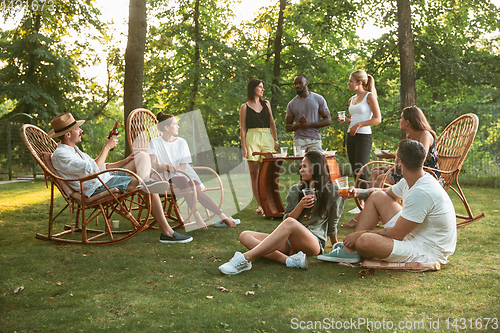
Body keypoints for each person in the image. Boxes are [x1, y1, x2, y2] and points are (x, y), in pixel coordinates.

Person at [48, 112, 192, 244]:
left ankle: (145, 182)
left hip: (106, 177)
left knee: (142, 155)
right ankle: (167, 232)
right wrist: (106, 147)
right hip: (98, 186)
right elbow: (93, 168)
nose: (81, 131)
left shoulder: (73, 150)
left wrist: (124, 161)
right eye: (77, 129)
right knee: (149, 188)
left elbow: (100, 167)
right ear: (68, 134)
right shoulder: (62, 155)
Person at [318, 139, 456, 265]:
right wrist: (357, 192)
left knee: (364, 241)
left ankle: (355, 246)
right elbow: (385, 193)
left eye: (395, 157)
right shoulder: (413, 180)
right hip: (415, 234)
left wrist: (359, 234)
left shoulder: (421, 192)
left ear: (400, 162)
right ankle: (351, 251)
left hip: (427, 249)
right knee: (377, 196)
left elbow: (397, 234)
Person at [218, 151, 344, 275]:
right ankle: (289, 261)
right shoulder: (295, 190)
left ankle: (246, 259)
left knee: (291, 223)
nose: (301, 169)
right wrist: (300, 206)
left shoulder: (333, 192)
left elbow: (332, 225)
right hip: (290, 242)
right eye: (301, 166)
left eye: (305, 166)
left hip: (313, 243)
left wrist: (337, 251)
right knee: (245, 236)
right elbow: (285, 221)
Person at [342, 105, 440, 228]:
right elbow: (409, 155)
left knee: (380, 179)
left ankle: (369, 213)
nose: (399, 120)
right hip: (409, 168)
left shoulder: (425, 134)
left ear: (407, 122)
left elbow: (420, 158)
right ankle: (370, 210)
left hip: (423, 173)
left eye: (401, 118)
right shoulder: (409, 136)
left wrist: (397, 163)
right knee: (375, 172)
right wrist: (392, 155)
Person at [149, 112, 240, 229]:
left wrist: (175, 169)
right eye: (175, 124)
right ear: (166, 127)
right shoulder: (155, 142)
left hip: (183, 173)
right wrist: (163, 167)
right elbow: (152, 164)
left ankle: (222, 216)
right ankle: (198, 216)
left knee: (196, 188)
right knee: (183, 180)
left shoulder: (181, 142)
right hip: (165, 176)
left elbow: (183, 165)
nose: (178, 126)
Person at [341, 70, 381, 215]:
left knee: (361, 169)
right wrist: (347, 121)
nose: (348, 83)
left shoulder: (369, 96)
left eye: (350, 81)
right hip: (351, 136)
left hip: (364, 137)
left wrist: (359, 125)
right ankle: (361, 204)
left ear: (359, 82)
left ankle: (370, 202)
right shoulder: (352, 99)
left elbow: (377, 119)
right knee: (355, 169)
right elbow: (353, 120)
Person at [240, 78, 279, 215]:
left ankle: (271, 200)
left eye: (262, 87)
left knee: (269, 171)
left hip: (267, 137)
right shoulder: (244, 107)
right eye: (260, 87)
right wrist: (243, 147)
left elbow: (272, 122)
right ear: (253, 89)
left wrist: (275, 139)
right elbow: (243, 128)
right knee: (254, 173)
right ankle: (259, 204)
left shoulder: (266, 103)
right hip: (252, 138)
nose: (262, 89)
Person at [285, 74, 331, 153]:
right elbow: (287, 127)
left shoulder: (318, 99)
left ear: (307, 83)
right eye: (295, 84)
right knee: (300, 165)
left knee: (315, 165)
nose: (297, 86)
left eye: (300, 83)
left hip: (315, 140)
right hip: (299, 141)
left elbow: (328, 120)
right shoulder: (291, 104)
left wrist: (310, 124)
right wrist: (298, 125)